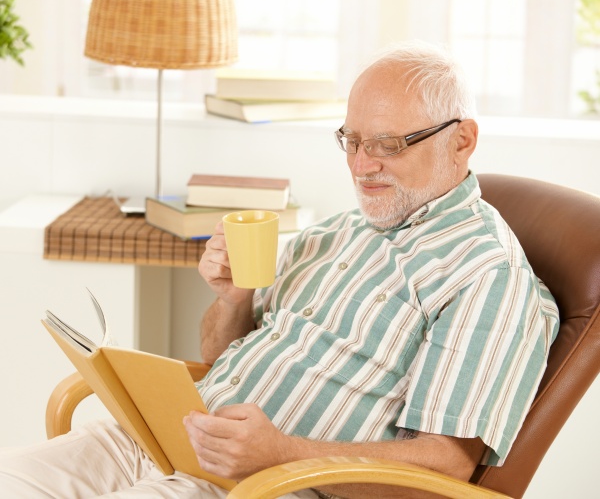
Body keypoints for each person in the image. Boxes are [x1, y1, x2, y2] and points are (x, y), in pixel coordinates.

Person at [0, 41, 558, 498]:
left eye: (388, 144)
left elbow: (446, 466)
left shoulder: (485, 275)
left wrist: (282, 453)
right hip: (167, 439)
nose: (362, 166)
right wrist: (233, 300)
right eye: (353, 141)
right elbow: (220, 357)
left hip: (277, 484)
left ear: (461, 140)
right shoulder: (338, 233)